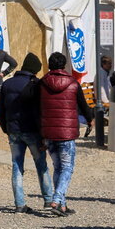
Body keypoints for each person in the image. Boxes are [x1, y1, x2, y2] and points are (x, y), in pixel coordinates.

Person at [0, 53, 54, 214]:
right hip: (32, 131)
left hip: (14, 131)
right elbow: (40, 112)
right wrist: (43, 134)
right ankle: (48, 200)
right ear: (35, 70)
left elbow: (0, 109)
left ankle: (20, 203)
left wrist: (6, 129)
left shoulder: (7, 84)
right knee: (41, 164)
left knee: (16, 166)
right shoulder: (36, 85)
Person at [40, 52, 94, 217]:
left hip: (48, 131)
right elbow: (83, 105)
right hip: (66, 133)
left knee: (58, 167)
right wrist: (91, 119)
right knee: (67, 168)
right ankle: (56, 200)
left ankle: (62, 205)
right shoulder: (73, 83)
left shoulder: (42, 83)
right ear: (64, 66)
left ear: (49, 65)